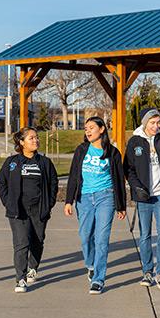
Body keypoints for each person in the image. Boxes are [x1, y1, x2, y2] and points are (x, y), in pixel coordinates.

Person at [64, 116, 126, 295]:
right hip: (84, 198)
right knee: (85, 236)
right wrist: (69, 201)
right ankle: (90, 264)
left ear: (102, 129)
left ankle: (98, 279)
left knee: (101, 239)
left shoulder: (113, 153)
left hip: (105, 198)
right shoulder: (82, 150)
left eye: (91, 127)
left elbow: (119, 181)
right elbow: (73, 176)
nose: (88, 131)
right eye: (86, 128)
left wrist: (121, 205)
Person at [0, 127, 58, 293]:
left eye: (36, 138)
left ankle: (33, 266)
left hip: (39, 209)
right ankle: (20, 279)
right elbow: (1, 182)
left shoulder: (45, 163)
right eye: (31, 138)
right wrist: (8, 202)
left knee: (37, 241)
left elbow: (53, 184)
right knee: (21, 243)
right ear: (22, 142)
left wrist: (49, 203)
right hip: (18, 210)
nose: (35, 141)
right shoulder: (12, 163)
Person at [124, 108, 160, 291]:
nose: (157, 126)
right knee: (144, 234)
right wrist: (137, 187)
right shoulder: (134, 142)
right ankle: (147, 271)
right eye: (153, 122)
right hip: (143, 197)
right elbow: (128, 169)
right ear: (145, 122)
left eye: (158, 122)